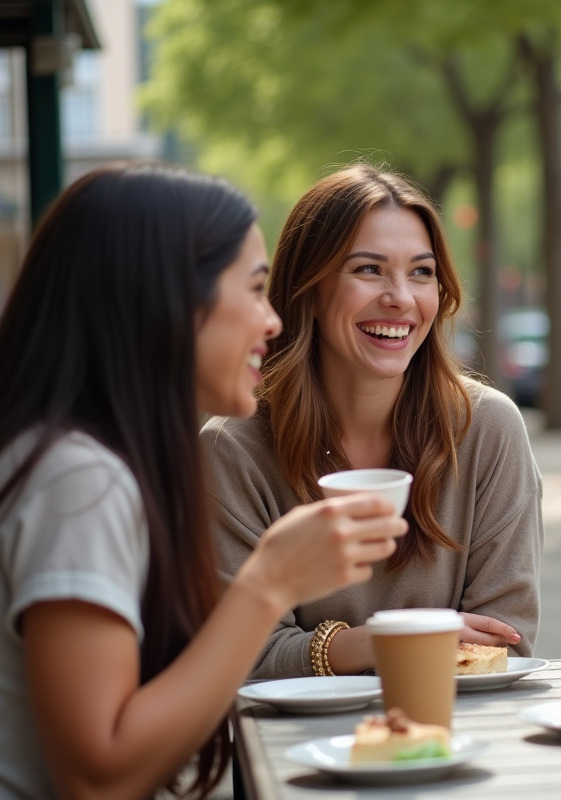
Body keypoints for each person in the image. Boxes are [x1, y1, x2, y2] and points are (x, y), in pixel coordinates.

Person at [0, 164, 403, 800]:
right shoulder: (78, 482)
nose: (273, 321)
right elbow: (98, 777)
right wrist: (269, 585)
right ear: (162, 299)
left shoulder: (91, 466)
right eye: (252, 290)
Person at [202, 164, 543, 680]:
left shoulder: (488, 428)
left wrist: (318, 649)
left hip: (453, 736)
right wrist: (370, 645)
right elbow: (233, 661)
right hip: (294, 754)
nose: (401, 298)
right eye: (368, 269)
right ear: (309, 291)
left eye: (421, 272)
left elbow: (503, 641)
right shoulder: (234, 449)